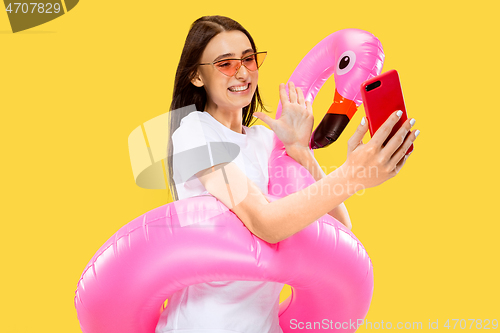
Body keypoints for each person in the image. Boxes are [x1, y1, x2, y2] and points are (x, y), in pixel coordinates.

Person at [158, 15, 419, 333]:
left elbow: (337, 230)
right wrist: (352, 174)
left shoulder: (266, 140)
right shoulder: (193, 134)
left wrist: (299, 150)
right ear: (197, 76)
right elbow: (263, 223)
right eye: (225, 64)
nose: (242, 72)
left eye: (249, 59)